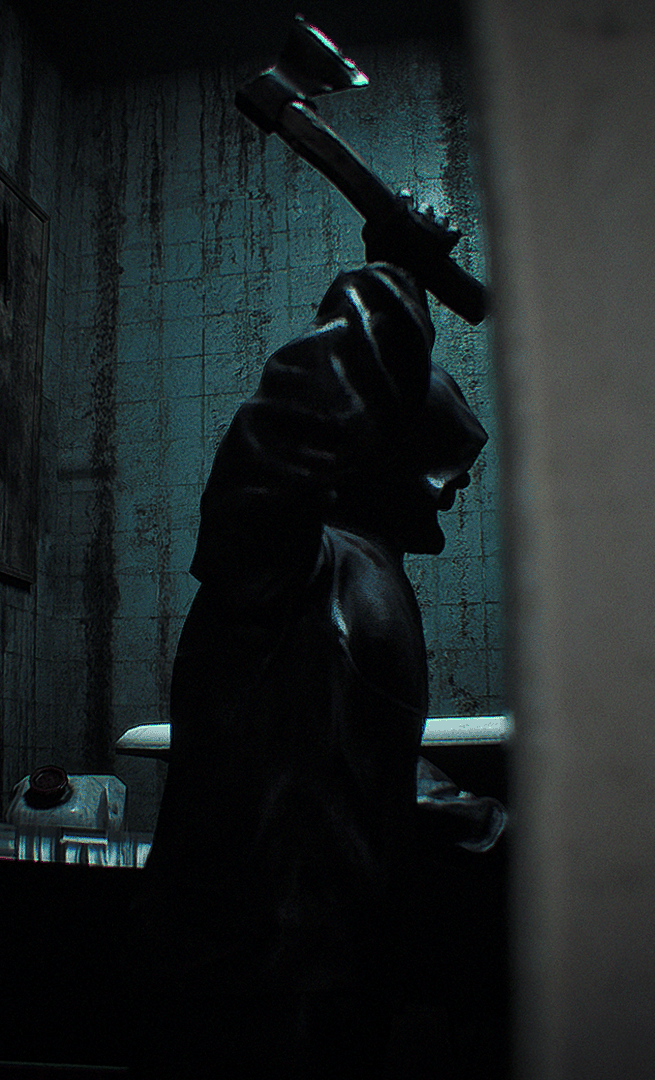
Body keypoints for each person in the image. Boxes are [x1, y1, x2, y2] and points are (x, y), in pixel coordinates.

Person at [130, 255, 489, 1079]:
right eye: (443, 472)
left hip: (329, 972)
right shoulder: (286, 562)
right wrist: (395, 276)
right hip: (243, 978)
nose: (455, 492)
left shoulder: (370, 575)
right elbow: (285, 433)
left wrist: (483, 827)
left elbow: (347, 755)